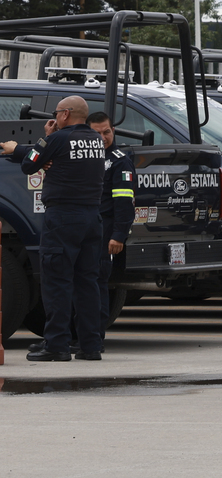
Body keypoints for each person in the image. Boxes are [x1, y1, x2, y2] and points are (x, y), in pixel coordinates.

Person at [1, 96, 107, 361]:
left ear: (65, 114)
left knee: (57, 281)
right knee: (87, 282)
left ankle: (57, 345)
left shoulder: (58, 139)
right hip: (91, 218)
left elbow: (29, 165)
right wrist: (49, 150)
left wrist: (43, 140)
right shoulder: (95, 140)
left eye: (56, 113)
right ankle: (91, 345)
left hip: (63, 218)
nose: (55, 117)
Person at [90, 111, 136, 340]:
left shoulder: (120, 161)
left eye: (106, 132)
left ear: (113, 131)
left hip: (105, 229)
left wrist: (118, 235)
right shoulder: (85, 158)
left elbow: (124, 204)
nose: (102, 138)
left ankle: (95, 338)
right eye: (96, 133)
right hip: (85, 229)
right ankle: (80, 337)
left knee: (97, 283)